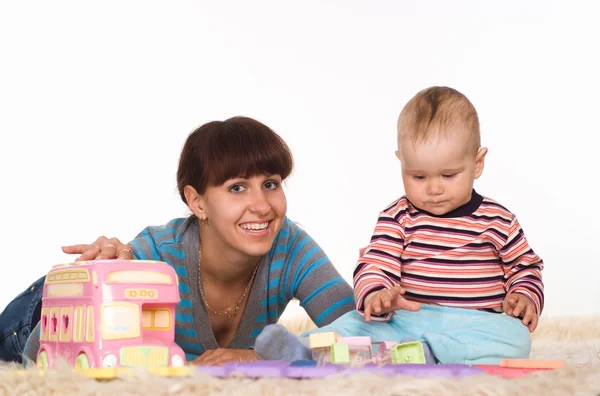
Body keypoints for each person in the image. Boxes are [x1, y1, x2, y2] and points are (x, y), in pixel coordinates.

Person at [0, 116, 355, 366]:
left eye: (271, 183)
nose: (262, 206)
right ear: (197, 201)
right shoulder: (156, 257)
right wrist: (100, 278)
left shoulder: (290, 247)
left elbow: (357, 330)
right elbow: (42, 353)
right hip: (34, 316)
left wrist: (259, 354)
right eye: (237, 188)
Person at [254, 86, 544, 365]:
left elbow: (525, 267)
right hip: (406, 322)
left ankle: (433, 354)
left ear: (477, 163)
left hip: (473, 324)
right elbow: (374, 263)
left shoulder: (499, 220)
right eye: (419, 176)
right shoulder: (398, 217)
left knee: (515, 337)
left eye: (448, 175)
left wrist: (524, 296)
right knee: (352, 323)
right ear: (401, 162)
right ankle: (301, 349)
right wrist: (378, 294)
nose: (434, 189)